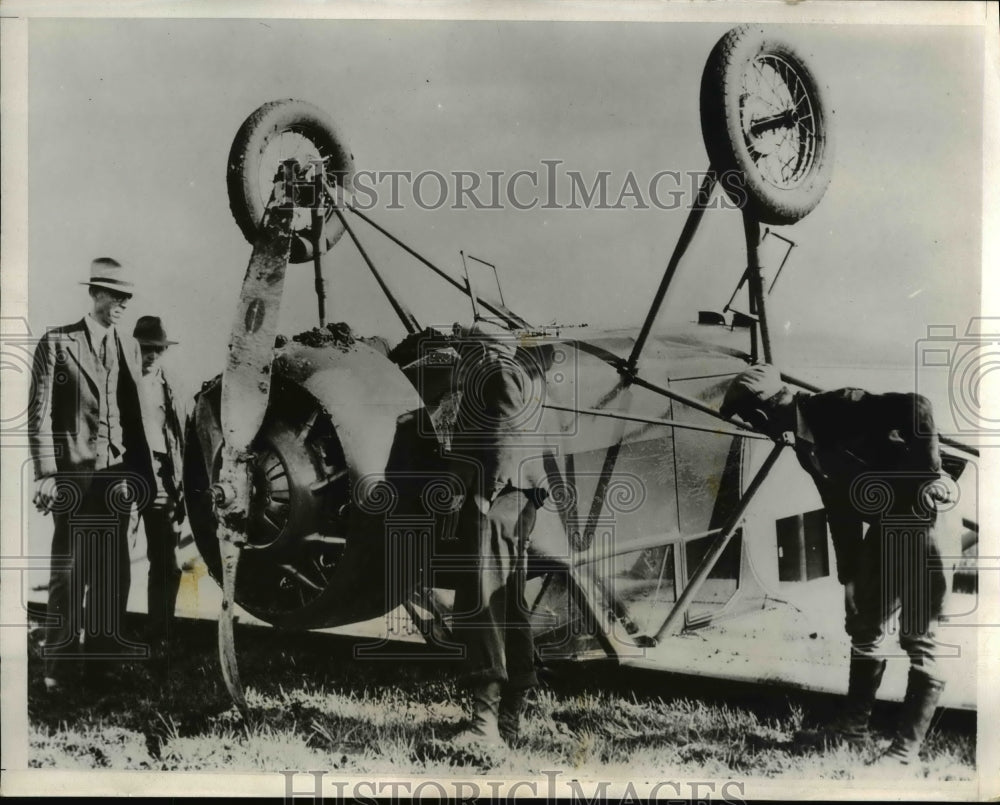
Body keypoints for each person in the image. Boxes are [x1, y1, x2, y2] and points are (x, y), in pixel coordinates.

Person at [720, 364, 952, 767]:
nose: (759, 430)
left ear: (762, 412)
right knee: (864, 625)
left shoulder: (838, 406)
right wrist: (849, 578)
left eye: (752, 420)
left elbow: (919, 406)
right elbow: (839, 511)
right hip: (883, 526)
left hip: (919, 521)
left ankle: (903, 754)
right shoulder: (804, 445)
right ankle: (852, 733)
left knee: (919, 637)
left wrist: (928, 475)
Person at [29, 258, 154, 693]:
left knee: (112, 574)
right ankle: (58, 671)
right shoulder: (58, 341)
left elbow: (136, 418)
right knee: (68, 573)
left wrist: (142, 479)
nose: (121, 303)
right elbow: (39, 416)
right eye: (114, 295)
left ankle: (102, 667)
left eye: (126, 297)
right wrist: (47, 475)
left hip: (115, 480)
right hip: (73, 481)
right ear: (94, 295)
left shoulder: (130, 347)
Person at [447, 320, 551, 749]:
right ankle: (510, 721)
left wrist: (486, 493)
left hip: (499, 498)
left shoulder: (496, 371)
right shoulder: (522, 376)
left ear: (482, 351)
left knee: (483, 602)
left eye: (464, 351)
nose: (460, 359)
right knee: (510, 604)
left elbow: (503, 436)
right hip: (519, 498)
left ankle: (484, 726)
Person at [132, 315, 186, 656]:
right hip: (126, 473)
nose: (151, 356)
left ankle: (159, 633)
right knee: (114, 558)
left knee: (166, 560)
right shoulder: (121, 383)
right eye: (145, 349)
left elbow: (183, 437)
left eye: (157, 350)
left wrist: (180, 483)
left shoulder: (172, 387)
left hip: (163, 477)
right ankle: (101, 637)